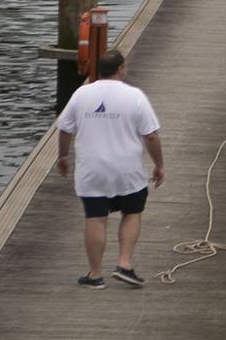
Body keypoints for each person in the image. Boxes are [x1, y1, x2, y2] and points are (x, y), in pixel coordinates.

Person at [56, 49, 166, 289]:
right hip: (128, 170)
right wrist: (159, 165)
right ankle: (124, 263)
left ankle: (95, 275)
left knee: (95, 219)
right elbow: (150, 136)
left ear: (98, 71)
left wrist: (63, 156)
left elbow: (64, 129)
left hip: (92, 170)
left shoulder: (81, 94)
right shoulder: (134, 96)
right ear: (120, 70)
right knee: (132, 213)